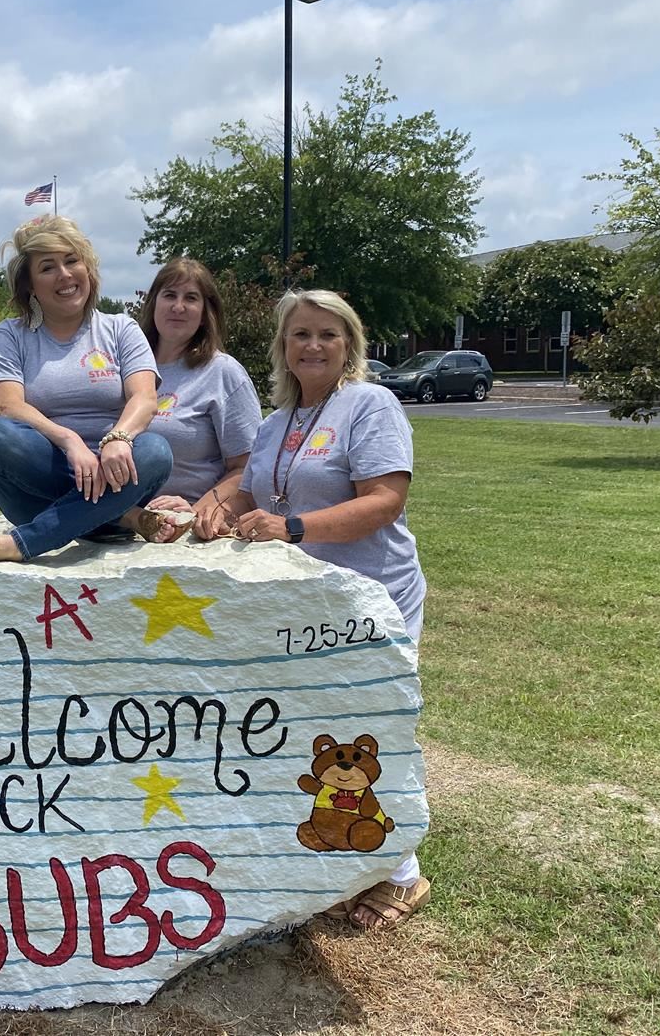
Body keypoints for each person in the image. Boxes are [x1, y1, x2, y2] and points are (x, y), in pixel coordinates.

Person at [219, 287, 431, 929]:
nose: (312, 346)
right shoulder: (275, 422)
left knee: (373, 729)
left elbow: (383, 503)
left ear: (349, 346)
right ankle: (334, 847)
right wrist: (204, 513)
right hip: (305, 607)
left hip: (373, 597)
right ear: (283, 347)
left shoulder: (371, 405)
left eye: (327, 335)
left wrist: (292, 528)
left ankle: (402, 873)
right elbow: (249, 494)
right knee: (317, 735)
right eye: (300, 334)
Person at [0, 216, 173, 562]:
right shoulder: (8, 337)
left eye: (72, 260)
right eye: (48, 267)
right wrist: (70, 441)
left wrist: (118, 438)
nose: (64, 275)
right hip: (40, 478)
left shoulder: (120, 328)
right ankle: (124, 515)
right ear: (30, 284)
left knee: (155, 450)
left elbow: (145, 397)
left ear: (88, 269)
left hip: (118, 474)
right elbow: (7, 406)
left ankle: (19, 544)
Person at [133, 258, 262, 542]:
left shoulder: (222, 373)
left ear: (205, 312)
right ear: (154, 302)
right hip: (120, 524)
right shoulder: (127, 367)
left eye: (191, 298)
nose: (178, 307)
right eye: (169, 295)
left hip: (185, 528)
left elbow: (250, 466)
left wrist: (197, 510)